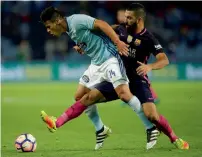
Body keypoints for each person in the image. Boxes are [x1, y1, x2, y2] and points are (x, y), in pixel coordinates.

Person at [39, 6, 159, 150]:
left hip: (110, 59)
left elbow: (102, 25)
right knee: (79, 96)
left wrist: (117, 42)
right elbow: (90, 36)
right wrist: (82, 46)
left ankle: (150, 128)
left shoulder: (77, 20)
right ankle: (100, 129)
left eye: (48, 26)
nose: (48, 30)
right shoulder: (69, 29)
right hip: (96, 64)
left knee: (124, 94)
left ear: (57, 20)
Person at [82, 3, 189, 150]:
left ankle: (174, 138)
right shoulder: (120, 28)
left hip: (138, 80)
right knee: (88, 98)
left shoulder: (149, 38)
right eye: (125, 16)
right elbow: (103, 29)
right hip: (118, 78)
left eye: (129, 18)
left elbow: (164, 59)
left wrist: (149, 66)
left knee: (152, 116)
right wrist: (83, 43)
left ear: (139, 19)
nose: (126, 20)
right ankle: (98, 129)